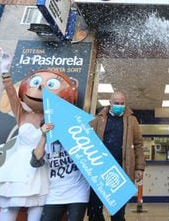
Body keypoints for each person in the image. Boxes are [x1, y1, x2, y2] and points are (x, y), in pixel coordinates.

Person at [0, 53, 51, 221]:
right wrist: (5, 73)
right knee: (8, 208)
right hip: (18, 166)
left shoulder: (52, 118)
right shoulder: (22, 114)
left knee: (37, 207)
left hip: (41, 164)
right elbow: (12, 95)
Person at [87, 91, 145, 221]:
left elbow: (138, 144)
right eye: (116, 103)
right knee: (94, 209)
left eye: (122, 103)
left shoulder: (132, 120)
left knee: (118, 213)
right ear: (110, 103)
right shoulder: (98, 119)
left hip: (121, 171)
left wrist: (139, 167)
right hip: (99, 170)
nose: (119, 105)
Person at [31, 122, 90, 221]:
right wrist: (43, 136)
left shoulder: (76, 139)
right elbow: (35, 162)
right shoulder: (46, 143)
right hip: (55, 194)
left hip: (78, 192)